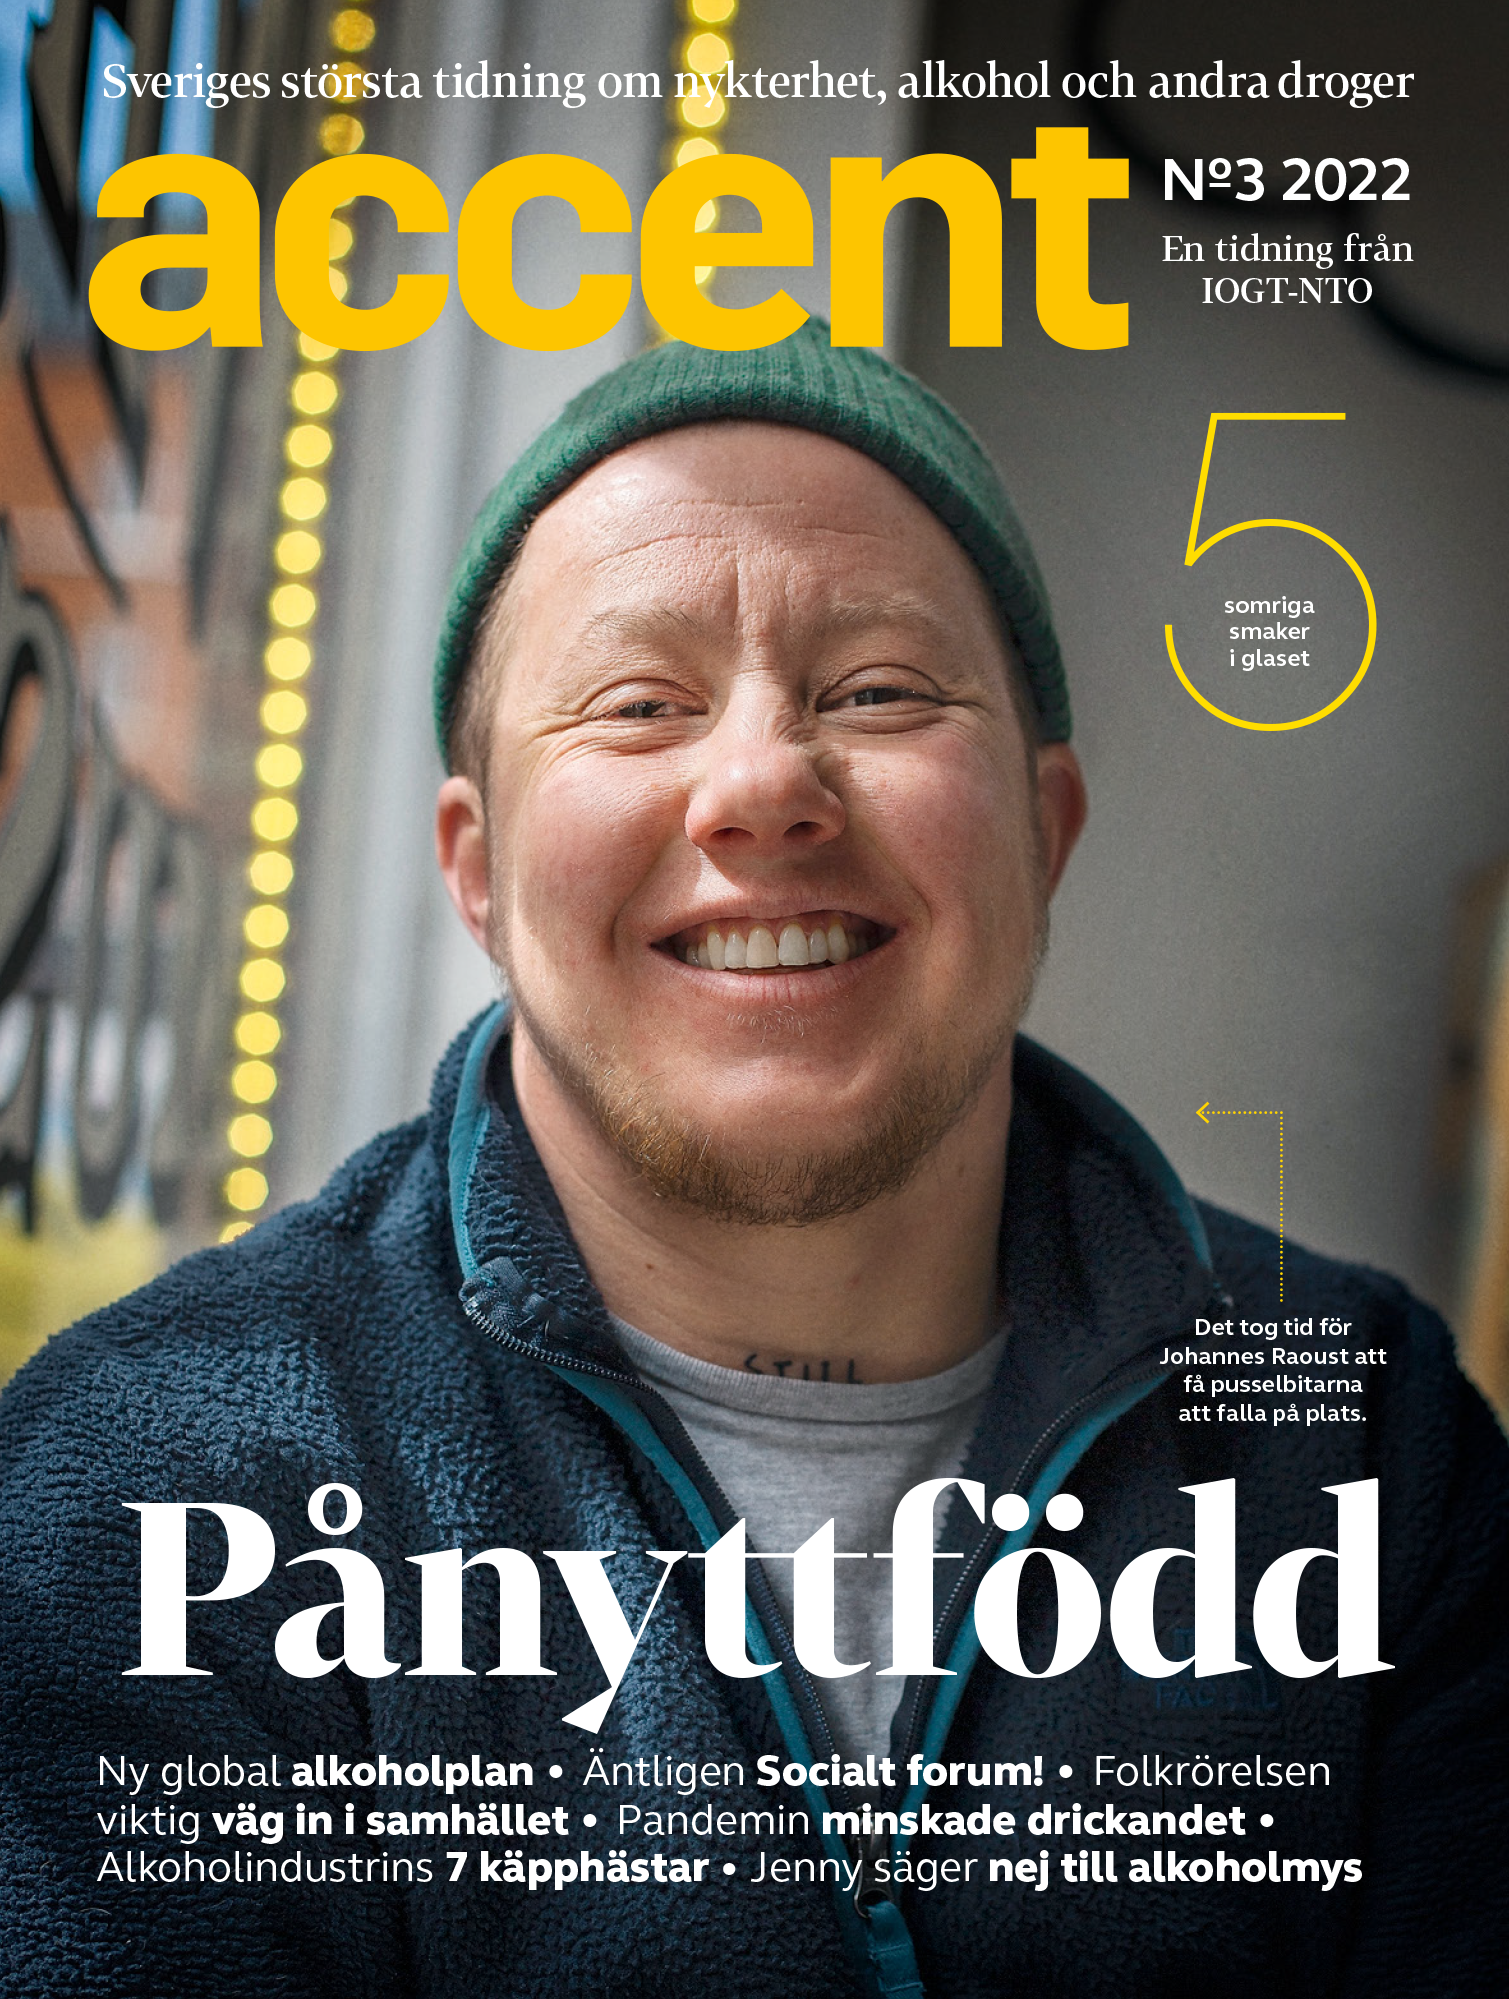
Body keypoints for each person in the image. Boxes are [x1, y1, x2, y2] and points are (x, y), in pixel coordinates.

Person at [1, 322, 1505, 1999]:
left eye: (877, 691)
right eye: (639, 704)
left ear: (1046, 829)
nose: (763, 783)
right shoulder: (146, 1476)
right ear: (479, 871)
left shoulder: (1376, 1439)